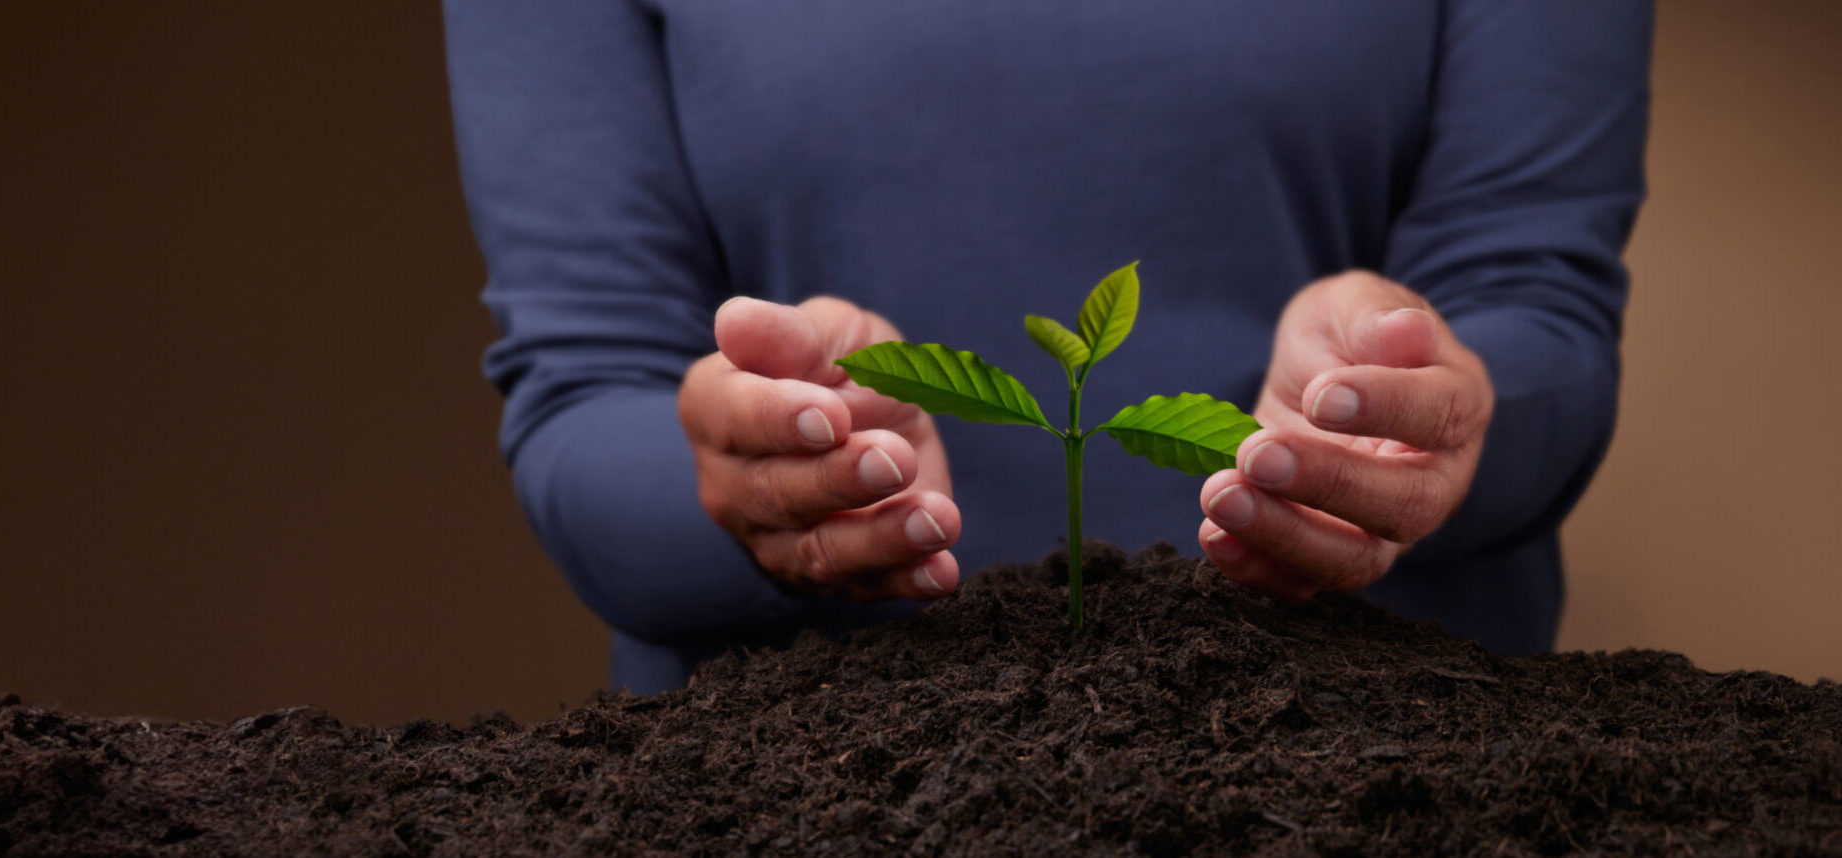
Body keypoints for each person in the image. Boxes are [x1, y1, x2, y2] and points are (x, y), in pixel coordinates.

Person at [443, 2, 1652, 694]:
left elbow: (1537, 306)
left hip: (1373, 763)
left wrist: (1420, 404)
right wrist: (760, 463)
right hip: (805, 785)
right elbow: (584, 390)